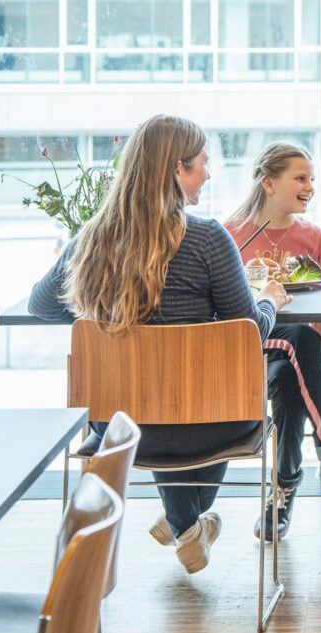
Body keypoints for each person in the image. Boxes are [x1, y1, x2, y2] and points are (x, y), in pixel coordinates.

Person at [28, 114, 291, 573]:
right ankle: (187, 523)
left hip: (120, 428)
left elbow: (41, 307)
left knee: (158, 397)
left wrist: (111, 316)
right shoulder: (208, 238)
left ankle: (183, 523)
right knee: (201, 397)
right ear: (175, 169)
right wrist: (269, 299)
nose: (209, 173)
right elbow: (247, 332)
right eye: (201, 164)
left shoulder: (90, 240)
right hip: (213, 422)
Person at [225, 142, 321, 542]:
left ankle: (282, 493)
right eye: (300, 178)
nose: (310, 186)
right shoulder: (231, 235)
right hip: (250, 349)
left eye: (312, 178)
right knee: (301, 343)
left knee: (294, 383)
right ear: (268, 183)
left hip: (299, 356)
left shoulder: (317, 237)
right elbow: (223, 313)